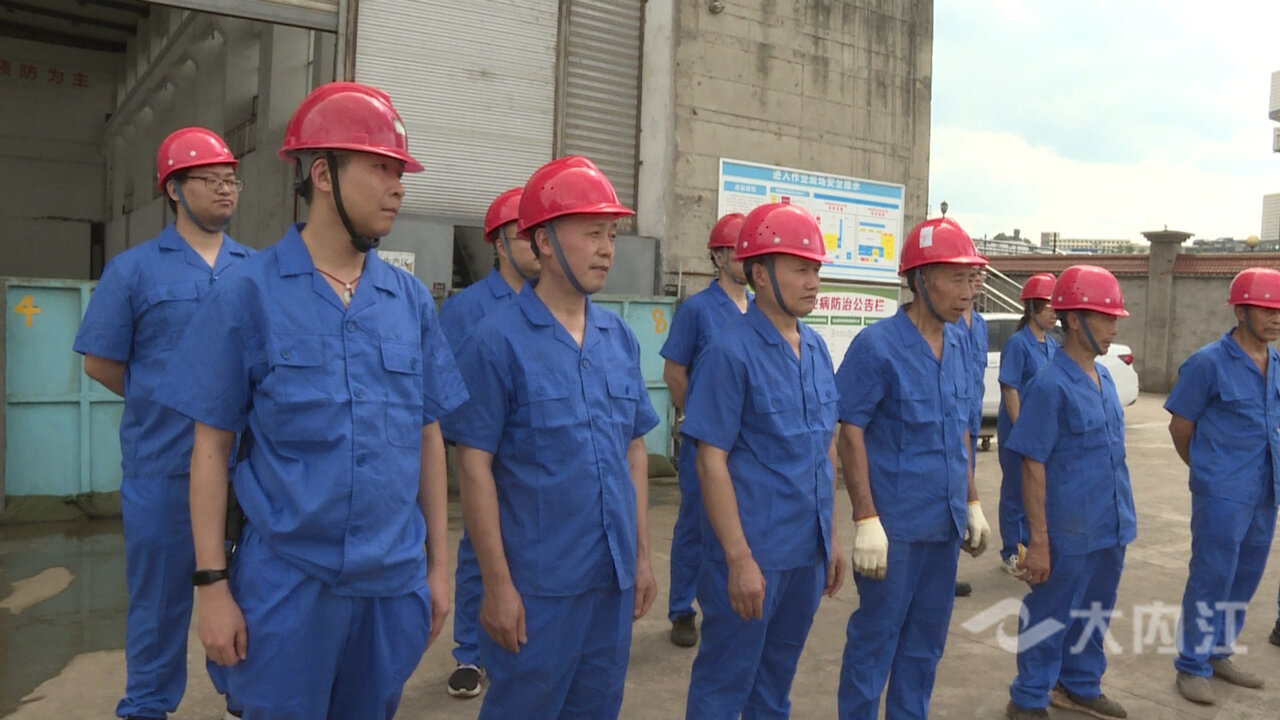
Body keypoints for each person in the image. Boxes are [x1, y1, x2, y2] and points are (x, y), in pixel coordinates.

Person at [156, 82, 465, 719]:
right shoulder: (248, 293)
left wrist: (438, 568)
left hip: (391, 583)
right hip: (288, 584)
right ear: (322, 175)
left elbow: (428, 436)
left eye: (400, 171)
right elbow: (210, 448)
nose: (398, 187)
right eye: (381, 168)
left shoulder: (408, 301)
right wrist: (212, 586)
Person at [442, 155, 660, 720]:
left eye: (612, 235)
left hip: (610, 580)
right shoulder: (496, 342)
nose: (607, 249)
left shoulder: (618, 338)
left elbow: (634, 450)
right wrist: (496, 586)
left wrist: (641, 558)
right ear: (542, 241)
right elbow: (474, 467)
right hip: (537, 589)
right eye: (592, 233)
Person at [73, 126, 252, 720]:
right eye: (211, 179)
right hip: (163, 468)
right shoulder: (133, 271)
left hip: (246, 472)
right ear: (174, 189)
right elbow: (100, 361)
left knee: (247, 593)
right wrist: (164, 400)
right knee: (158, 601)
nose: (226, 189)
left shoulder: (258, 270)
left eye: (232, 180)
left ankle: (244, 698)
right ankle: (147, 705)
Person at [681, 202, 845, 718]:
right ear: (759, 273)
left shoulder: (815, 349)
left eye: (816, 269)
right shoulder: (728, 352)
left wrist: (831, 538)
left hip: (805, 553)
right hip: (755, 554)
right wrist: (738, 559)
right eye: (800, 269)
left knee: (775, 684)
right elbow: (711, 461)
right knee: (724, 684)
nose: (813, 281)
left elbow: (825, 447)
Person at [836, 217, 991, 720]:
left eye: (972, 279)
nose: (968, 291)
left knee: (925, 644)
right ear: (920, 280)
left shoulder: (961, 343)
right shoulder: (877, 346)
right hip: (894, 528)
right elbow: (850, 431)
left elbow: (960, 427)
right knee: (875, 640)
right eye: (956, 278)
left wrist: (971, 499)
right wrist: (865, 518)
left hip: (942, 523)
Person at [1005, 265, 1135, 720]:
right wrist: (1039, 541)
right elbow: (1032, 464)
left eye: (1115, 317)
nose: (1114, 327)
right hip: (1068, 529)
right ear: (1075, 320)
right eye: (1105, 317)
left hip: (1109, 522)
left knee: (1094, 611)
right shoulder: (1049, 384)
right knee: (1050, 610)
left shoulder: (1105, 379)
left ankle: (1079, 684)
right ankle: (1029, 697)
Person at [438, 186, 540, 698]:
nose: (536, 245)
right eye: (524, 235)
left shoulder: (557, 306)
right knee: (480, 546)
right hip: (486, 447)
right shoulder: (466, 311)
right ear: (498, 244)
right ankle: (469, 653)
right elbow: (443, 383)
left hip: (538, 453)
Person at [1166, 267, 1280, 704]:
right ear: (1240, 311)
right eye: (1265, 309)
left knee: (1246, 575)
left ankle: (1218, 651)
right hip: (1222, 493)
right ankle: (1191, 664)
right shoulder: (1208, 363)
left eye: (1278, 310)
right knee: (1211, 576)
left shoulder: (1276, 365)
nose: (1274, 318)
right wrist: (1207, 472)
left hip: (1265, 490)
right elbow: (1180, 427)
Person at [660, 211, 751, 648]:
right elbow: (673, 372)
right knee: (697, 523)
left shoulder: (761, 309)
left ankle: (728, 598)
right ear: (717, 257)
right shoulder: (697, 310)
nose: (744, 258)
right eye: (736, 250)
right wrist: (698, 418)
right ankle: (682, 607)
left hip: (747, 444)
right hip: (706, 440)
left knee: (738, 523)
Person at [996, 273, 1059, 576]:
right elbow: (1009, 388)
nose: (1054, 313)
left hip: (1042, 431)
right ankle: (1012, 550)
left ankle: (1031, 546)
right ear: (1032, 307)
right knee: (1015, 491)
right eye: (1048, 306)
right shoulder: (1018, 344)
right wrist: (1021, 430)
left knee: (1037, 491)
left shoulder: (1052, 345)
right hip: (1017, 429)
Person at [953, 264, 990, 598]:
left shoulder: (980, 324)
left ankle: (949, 569)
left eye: (979, 275)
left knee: (965, 497)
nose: (976, 280)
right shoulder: (945, 323)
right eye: (969, 274)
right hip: (951, 421)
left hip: (971, 419)